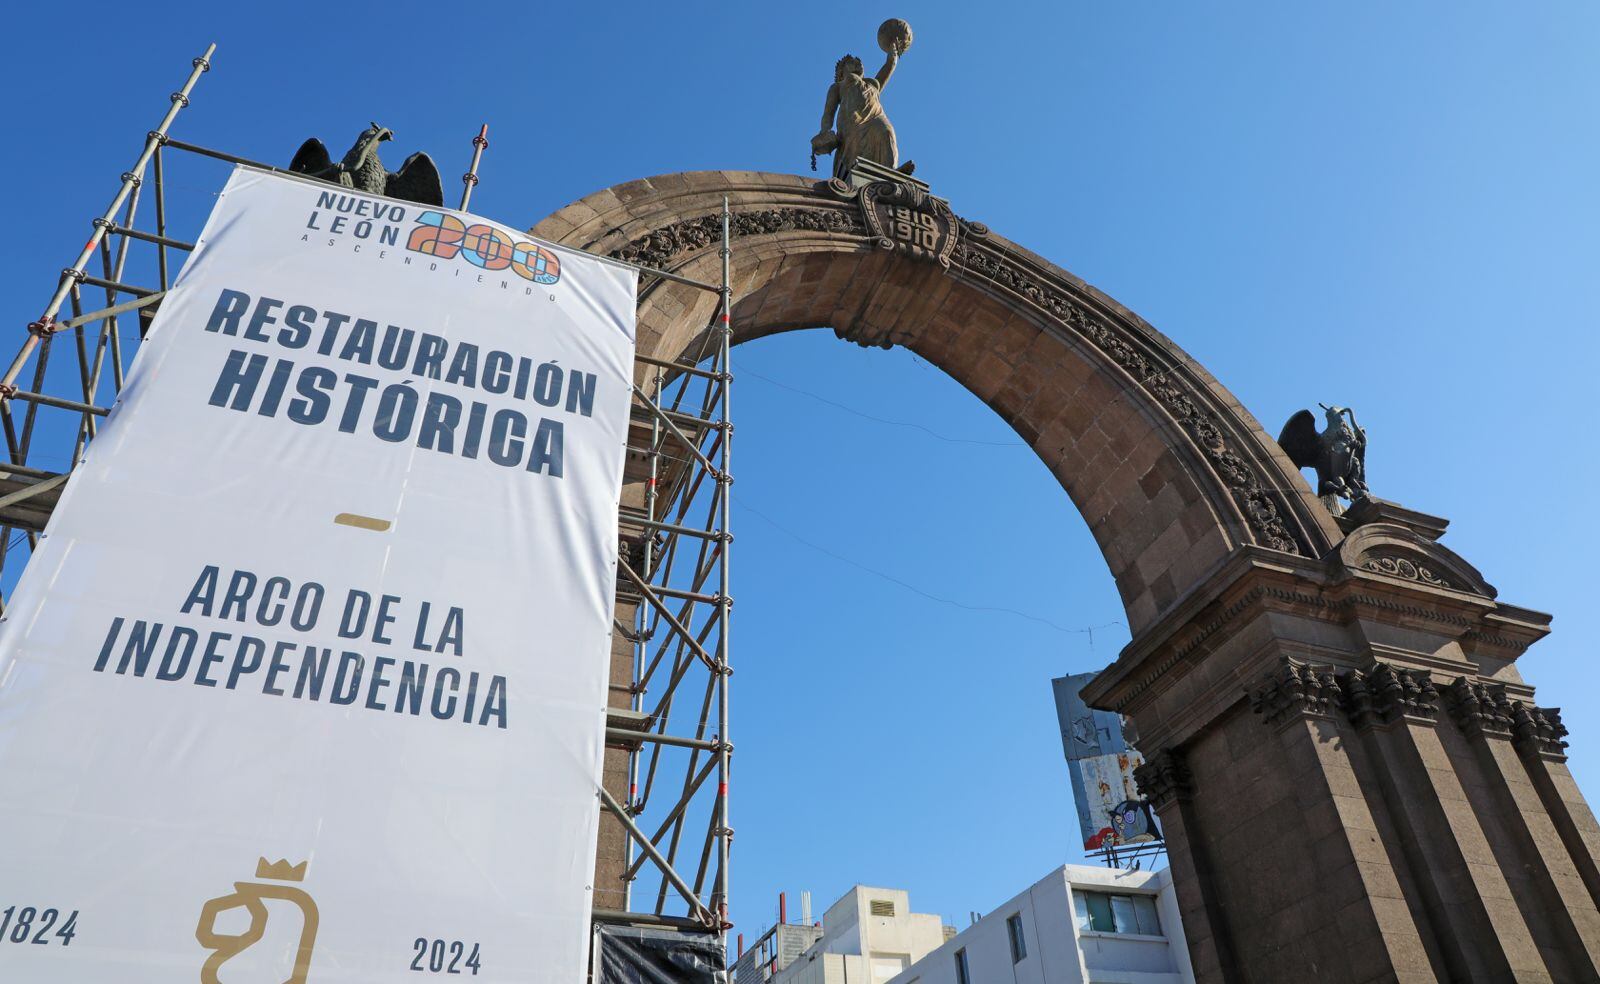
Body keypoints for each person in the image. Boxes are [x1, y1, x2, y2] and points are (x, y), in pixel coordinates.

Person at [811, 46, 915, 179]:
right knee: (856, 151)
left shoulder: (873, 85)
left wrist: (892, 55)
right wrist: (824, 131)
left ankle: (891, 172)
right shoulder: (838, 86)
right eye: (852, 61)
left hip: (875, 116)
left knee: (886, 131)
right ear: (841, 73)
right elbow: (828, 112)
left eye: (859, 61)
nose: (858, 62)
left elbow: (888, 68)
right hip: (853, 123)